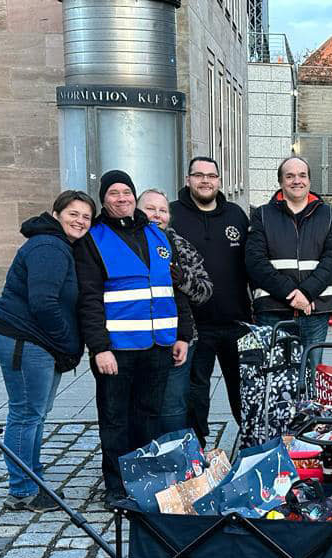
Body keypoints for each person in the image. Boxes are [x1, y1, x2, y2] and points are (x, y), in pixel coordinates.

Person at [74, 170, 194, 503]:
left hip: (159, 345)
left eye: (126, 191)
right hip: (117, 350)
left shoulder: (158, 236)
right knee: (116, 420)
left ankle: (145, 483)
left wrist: (182, 335)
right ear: (103, 200)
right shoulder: (93, 239)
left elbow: (176, 289)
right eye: (114, 193)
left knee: (149, 418)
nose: (122, 198)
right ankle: (116, 487)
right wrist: (99, 348)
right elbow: (89, 299)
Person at [0, 190, 96, 511]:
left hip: (35, 340)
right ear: (56, 214)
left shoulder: (59, 245)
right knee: (26, 413)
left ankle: (32, 480)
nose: (80, 221)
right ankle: (23, 490)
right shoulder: (49, 246)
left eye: (86, 217)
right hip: (25, 339)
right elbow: (43, 303)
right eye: (73, 214)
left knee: (35, 413)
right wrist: (66, 341)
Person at [169, 157, 250, 445]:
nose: (205, 181)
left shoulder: (236, 215)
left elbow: (251, 263)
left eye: (211, 176)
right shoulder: (172, 215)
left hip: (237, 322)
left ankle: (251, 444)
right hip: (194, 326)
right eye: (199, 175)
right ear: (188, 179)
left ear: (219, 180)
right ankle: (198, 449)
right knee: (195, 394)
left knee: (244, 391)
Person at [245, 156, 332, 370]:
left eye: (302, 175)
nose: (296, 180)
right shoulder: (262, 215)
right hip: (272, 310)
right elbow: (255, 261)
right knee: (275, 376)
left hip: (315, 310)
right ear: (281, 181)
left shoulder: (328, 215)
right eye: (289, 176)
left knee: (312, 374)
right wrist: (292, 294)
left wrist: (306, 293)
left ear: (309, 180)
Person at [137, 188, 213, 434]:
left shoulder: (180, 245)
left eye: (163, 210)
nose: (157, 215)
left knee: (172, 406)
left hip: (178, 337)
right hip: (135, 338)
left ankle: (175, 453)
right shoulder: (126, 243)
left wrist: (183, 280)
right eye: (150, 209)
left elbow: (206, 290)